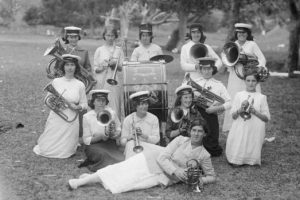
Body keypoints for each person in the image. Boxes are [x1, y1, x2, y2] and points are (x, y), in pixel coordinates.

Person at [68, 119, 216, 194]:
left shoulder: (204, 155)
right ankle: (80, 182)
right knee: (119, 169)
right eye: (194, 130)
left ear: (205, 134)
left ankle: (92, 177)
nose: (196, 134)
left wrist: (199, 179)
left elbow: (212, 176)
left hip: (164, 178)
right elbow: (163, 157)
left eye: (200, 131)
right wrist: (176, 171)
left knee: (125, 186)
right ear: (190, 131)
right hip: (151, 161)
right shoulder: (180, 140)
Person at [33, 54, 87, 158]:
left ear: (76, 67)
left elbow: (84, 104)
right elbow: (47, 99)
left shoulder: (80, 84)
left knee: (67, 152)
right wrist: (57, 105)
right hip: (57, 114)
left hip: (71, 118)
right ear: (63, 66)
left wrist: (78, 107)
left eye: (72, 65)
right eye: (67, 65)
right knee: (46, 149)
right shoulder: (56, 81)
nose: (70, 67)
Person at [222, 23, 267, 132]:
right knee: (234, 98)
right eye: (239, 33)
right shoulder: (232, 45)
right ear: (236, 34)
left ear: (247, 34)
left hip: (249, 77)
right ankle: (233, 127)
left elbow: (262, 59)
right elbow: (227, 60)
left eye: (244, 33)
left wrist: (256, 67)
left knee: (250, 98)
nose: (241, 35)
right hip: (235, 77)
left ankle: (251, 126)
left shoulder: (252, 44)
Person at [184, 57, 231, 157]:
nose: (207, 71)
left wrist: (216, 108)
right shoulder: (195, 82)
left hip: (210, 115)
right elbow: (183, 95)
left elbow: (229, 102)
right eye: (204, 69)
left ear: (213, 70)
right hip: (195, 113)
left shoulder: (219, 85)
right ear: (200, 70)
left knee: (211, 146)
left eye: (209, 69)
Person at [225, 70, 270, 166]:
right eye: (248, 80)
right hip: (240, 126)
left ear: (257, 82)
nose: (250, 83)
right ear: (244, 81)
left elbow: (266, 118)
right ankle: (237, 159)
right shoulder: (239, 95)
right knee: (240, 141)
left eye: (253, 81)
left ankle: (250, 159)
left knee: (251, 141)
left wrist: (255, 112)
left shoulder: (262, 97)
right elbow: (233, 116)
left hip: (255, 127)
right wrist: (240, 110)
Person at [79, 89, 124, 172]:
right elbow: (86, 140)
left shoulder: (111, 113)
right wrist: (100, 137)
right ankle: (99, 166)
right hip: (94, 145)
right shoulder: (87, 117)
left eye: (103, 100)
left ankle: (109, 165)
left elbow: (119, 128)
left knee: (121, 158)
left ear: (106, 102)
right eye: (98, 100)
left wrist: (115, 133)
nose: (101, 103)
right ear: (93, 102)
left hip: (110, 143)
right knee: (103, 155)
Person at [93, 26, 124, 120]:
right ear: (104, 36)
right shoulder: (99, 50)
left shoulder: (119, 50)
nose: (110, 38)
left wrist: (115, 64)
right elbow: (95, 68)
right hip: (101, 80)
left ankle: (115, 127)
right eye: (108, 35)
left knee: (114, 105)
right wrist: (103, 66)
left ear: (115, 37)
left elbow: (121, 68)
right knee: (101, 104)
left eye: (112, 35)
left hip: (114, 82)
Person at [120, 91, 160, 159]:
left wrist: (144, 136)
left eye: (146, 104)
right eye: (141, 104)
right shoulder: (128, 119)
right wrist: (129, 137)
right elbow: (122, 142)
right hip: (133, 149)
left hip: (149, 148)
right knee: (130, 145)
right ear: (135, 106)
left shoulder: (154, 118)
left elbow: (157, 139)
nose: (144, 106)